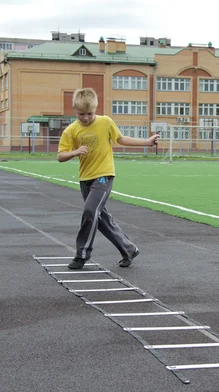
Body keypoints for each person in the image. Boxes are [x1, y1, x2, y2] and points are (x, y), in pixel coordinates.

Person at [57, 88, 159, 269]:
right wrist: (74, 152)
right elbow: (60, 156)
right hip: (85, 178)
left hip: (104, 175)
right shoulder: (71, 131)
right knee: (100, 218)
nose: (86, 118)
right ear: (74, 110)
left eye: (90, 113)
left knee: (90, 211)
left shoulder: (105, 122)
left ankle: (82, 254)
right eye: (81, 114)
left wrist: (147, 142)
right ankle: (129, 249)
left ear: (95, 109)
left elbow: (121, 139)